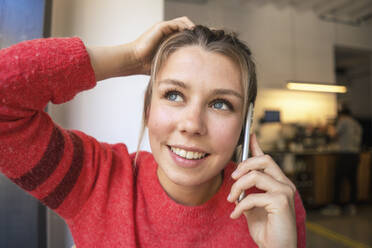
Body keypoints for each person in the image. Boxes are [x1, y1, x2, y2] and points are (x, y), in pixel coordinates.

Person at [0, 17, 306, 247]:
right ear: (149, 109)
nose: (192, 124)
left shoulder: (270, 204)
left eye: (221, 104)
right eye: (174, 95)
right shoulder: (96, 179)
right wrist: (130, 58)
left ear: (245, 123)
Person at [323, 106, 362, 216]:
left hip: (345, 155)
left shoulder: (344, 121)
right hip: (355, 155)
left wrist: (329, 127)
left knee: (338, 180)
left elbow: (333, 134)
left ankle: (336, 206)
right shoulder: (356, 124)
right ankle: (352, 206)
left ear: (341, 115)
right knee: (353, 181)